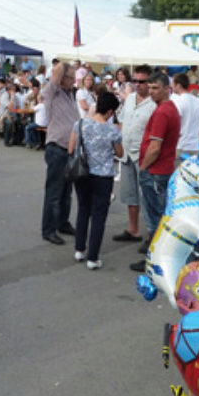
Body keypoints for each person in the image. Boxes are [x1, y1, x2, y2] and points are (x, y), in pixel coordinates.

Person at [129, 71, 181, 272]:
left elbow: (155, 147)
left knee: (155, 220)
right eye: (149, 88)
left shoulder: (162, 112)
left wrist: (143, 168)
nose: (151, 92)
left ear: (167, 89)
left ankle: (154, 259)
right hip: (161, 170)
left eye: (155, 88)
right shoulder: (168, 108)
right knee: (159, 217)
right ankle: (158, 257)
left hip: (155, 171)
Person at [70, 92, 123, 270]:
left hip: (82, 173)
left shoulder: (80, 124)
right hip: (103, 176)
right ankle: (93, 258)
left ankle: (79, 249)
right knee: (99, 216)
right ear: (109, 112)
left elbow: (71, 148)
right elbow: (120, 153)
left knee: (83, 209)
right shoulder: (112, 131)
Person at [114, 65, 155, 254]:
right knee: (130, 193)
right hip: (127, 153)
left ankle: (152, 235)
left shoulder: (155, 104)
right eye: (135, 81)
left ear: (150, 82)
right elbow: (122, 121)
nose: (138, 85)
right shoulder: (130, 99)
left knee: (148, 196)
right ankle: (133, 229)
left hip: (144, 155)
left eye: (142, 81)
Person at [41, 62, 80, 245]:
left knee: (66, 192)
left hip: (69, 148)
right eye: (71, 77)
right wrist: (66, 64)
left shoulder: (69, 94)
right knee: (54, 193)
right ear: (63, 78)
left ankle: (62, 223)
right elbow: (56, 72)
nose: (74, 81)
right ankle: (48, 229)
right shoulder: (52, 91)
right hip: (57, 148)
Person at [171, 73, 199, 162]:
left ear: (178, 85)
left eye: (173, 85)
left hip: (181, 145)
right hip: (195, 146)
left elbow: (174, 125)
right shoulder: (198, 102)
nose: (172, 87)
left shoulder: (178, 102)